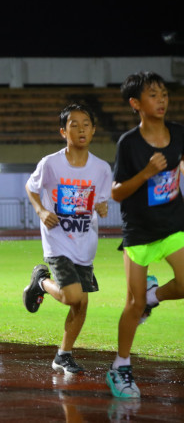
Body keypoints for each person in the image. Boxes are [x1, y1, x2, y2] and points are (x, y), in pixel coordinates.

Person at [105, 71, 184, 398]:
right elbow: (116, 193)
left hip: (174, 225)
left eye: (164, 93)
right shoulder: (129, 143)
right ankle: (120, 366)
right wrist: (147, 172)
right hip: (139, 232)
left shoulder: (178, 133)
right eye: (153, 95)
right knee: (133, 305)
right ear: (136, 103)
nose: (161, 100)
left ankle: (154, 296)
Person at [23, 103, 112, 375]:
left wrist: (102, 207)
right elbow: (31, 187)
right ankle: (41, 280)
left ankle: (63, 355)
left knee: (82, 303)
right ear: (63, 131)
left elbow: (101, 201)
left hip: (85, 243)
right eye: (74, 125)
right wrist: (41, 210)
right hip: (57, 240)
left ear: (94, 130)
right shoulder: (50, 163)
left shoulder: (101, 168)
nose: (81, 129)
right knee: (73, 296)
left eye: (86, 124)